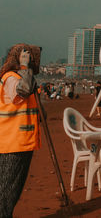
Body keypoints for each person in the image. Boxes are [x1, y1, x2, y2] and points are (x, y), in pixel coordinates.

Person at [0, 44, 41, 217]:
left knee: (12, 189)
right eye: (28, 56)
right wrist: (24, 67)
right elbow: (22, 91)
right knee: (7, 191)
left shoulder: (24, 77)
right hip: (13, 142)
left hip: (22, 141)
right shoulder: (10, 77)